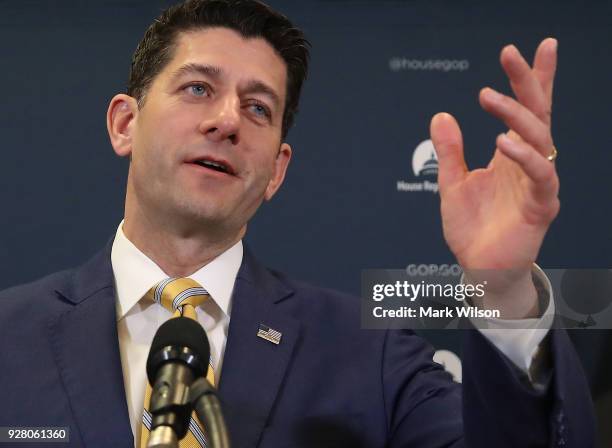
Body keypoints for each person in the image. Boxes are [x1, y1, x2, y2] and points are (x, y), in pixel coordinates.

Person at [0, 0, 595, 447]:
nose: (227, 121)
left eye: (259, 108)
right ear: (125, 123)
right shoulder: (9, 336)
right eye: (198, 88)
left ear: (277, 169)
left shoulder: (372, 355)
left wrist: (503, 285)